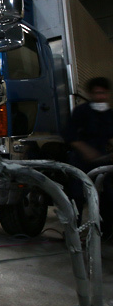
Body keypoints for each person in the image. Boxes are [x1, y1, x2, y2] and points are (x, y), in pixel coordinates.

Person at [64, 77, 113, 237]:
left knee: (107, 195)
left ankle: (107, 231)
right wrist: (86, 151)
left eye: (103, 93)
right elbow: (70, 136)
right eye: (97, 93)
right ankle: (73, 232)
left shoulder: (109, 114)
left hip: (102, 161)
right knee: (77, 196)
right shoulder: (81, 112)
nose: (100, 97)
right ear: (91, 94)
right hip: (81, 160)